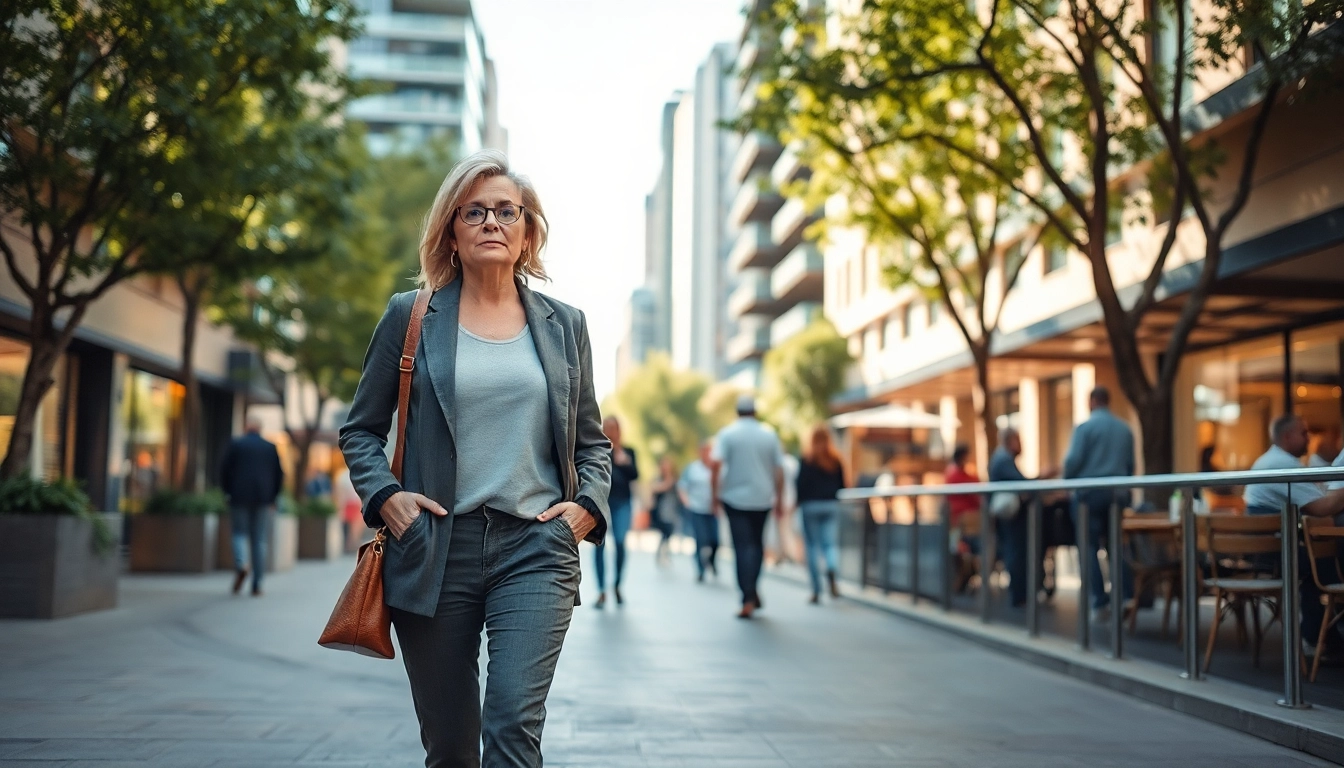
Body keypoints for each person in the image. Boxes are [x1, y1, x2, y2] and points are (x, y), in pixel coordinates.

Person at [338, 149, 610, 768]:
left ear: (527, 232)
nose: (492, 221)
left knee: (512, 726)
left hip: (536, 546)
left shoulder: (566, 325)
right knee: (452, 747)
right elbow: (360, 431)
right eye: (474, 212)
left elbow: (591, 442)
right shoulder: (410, 316)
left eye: (507, 211)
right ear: (451, 232)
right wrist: (387, 499)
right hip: (434, 546)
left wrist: (585, 510)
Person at [1244, 414, 1344, 661]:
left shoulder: (1268, 461)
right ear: (1288, 436)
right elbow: (1323, 508)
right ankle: (1321, 639)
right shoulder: (1283, 465)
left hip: (1267, 551)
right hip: (1277, 555)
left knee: (1322, 560)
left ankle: (1323, 638)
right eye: (1304, 433)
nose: (1309, 439)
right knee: (1327, 563)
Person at [1063, 386, 1136, 620]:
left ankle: (1099, 601)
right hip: (1118, 494)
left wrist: (1067, 481)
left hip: (1090, 495)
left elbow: (1072, 461)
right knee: (1116, 546)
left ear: (1092, 401)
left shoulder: (1085, 428)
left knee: (1088, 547)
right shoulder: (1125, 429)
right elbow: (1130, 466)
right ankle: (1125, 596)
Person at [711, 394, 785, 619]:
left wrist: (714, 495)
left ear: (737, 412)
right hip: (762, 498)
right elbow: (779, 469)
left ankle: (747, 596)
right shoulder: (769, 434)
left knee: (742, 548)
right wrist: (780, 498)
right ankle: (752, 590)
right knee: (757, 545)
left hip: (734, 499)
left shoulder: (727, 434)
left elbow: (715, 465)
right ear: (755, 412)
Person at [989, 427, 1055, 608]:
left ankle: (1023, 594)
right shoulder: (1003, 459)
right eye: (1018, 440)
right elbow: (1022, 484)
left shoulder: (1003, 459)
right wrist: (1042, 477)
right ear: (1010, 441)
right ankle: (1020, 595)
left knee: (1017, 551)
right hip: (1011, 515)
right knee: (1016, 552)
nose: (1021, 444)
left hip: (1011, 514)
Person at [219, 416, 285, 597]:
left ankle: (242, 564)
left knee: (239, 534)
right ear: (260, 428)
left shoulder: (236, 444)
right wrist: (274, 497)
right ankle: (257, 584)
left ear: (246, 427)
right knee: (259, 540)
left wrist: (227, 492)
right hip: (263, 499)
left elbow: (224, 470)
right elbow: (279, 474)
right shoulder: (269, 447)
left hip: (238, 497)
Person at [795, 424, 846, 604]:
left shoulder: (807, 459)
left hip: (810, 506)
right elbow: (842, 485)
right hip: (830, 505)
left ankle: (816, 589)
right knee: (830, 544)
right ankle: (831, 567)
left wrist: (797, 502)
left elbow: (799, 485)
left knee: (812, 547)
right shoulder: (835, 460)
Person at [594, 416, 637, 607]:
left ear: (619, 430)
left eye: (614, 428)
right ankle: (601, 590)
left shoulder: (628, 452)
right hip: (602, 501)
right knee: (599, 542)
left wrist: (625, 461)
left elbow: (635, 475)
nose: (611, 431)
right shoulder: (598, 450)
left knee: (620, 541)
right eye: (607, 427)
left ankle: (617, 585)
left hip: (622, 502)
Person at [678, 441, 719, 581]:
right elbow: (682, 486)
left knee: (715, 540)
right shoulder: (692, 468)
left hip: (712, 509)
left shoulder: (715, 468)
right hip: (696, 509)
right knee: (700, 539)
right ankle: (700, 569)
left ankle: (711, 560)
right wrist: (687, 502)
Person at [649, 454, 680, 565]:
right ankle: (662, 553)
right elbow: (656, 488)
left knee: (669, 532)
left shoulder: (676, 480)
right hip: (661, 510)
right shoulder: (659, 479)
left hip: (673, 510)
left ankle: (664, 553)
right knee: (665, 532)